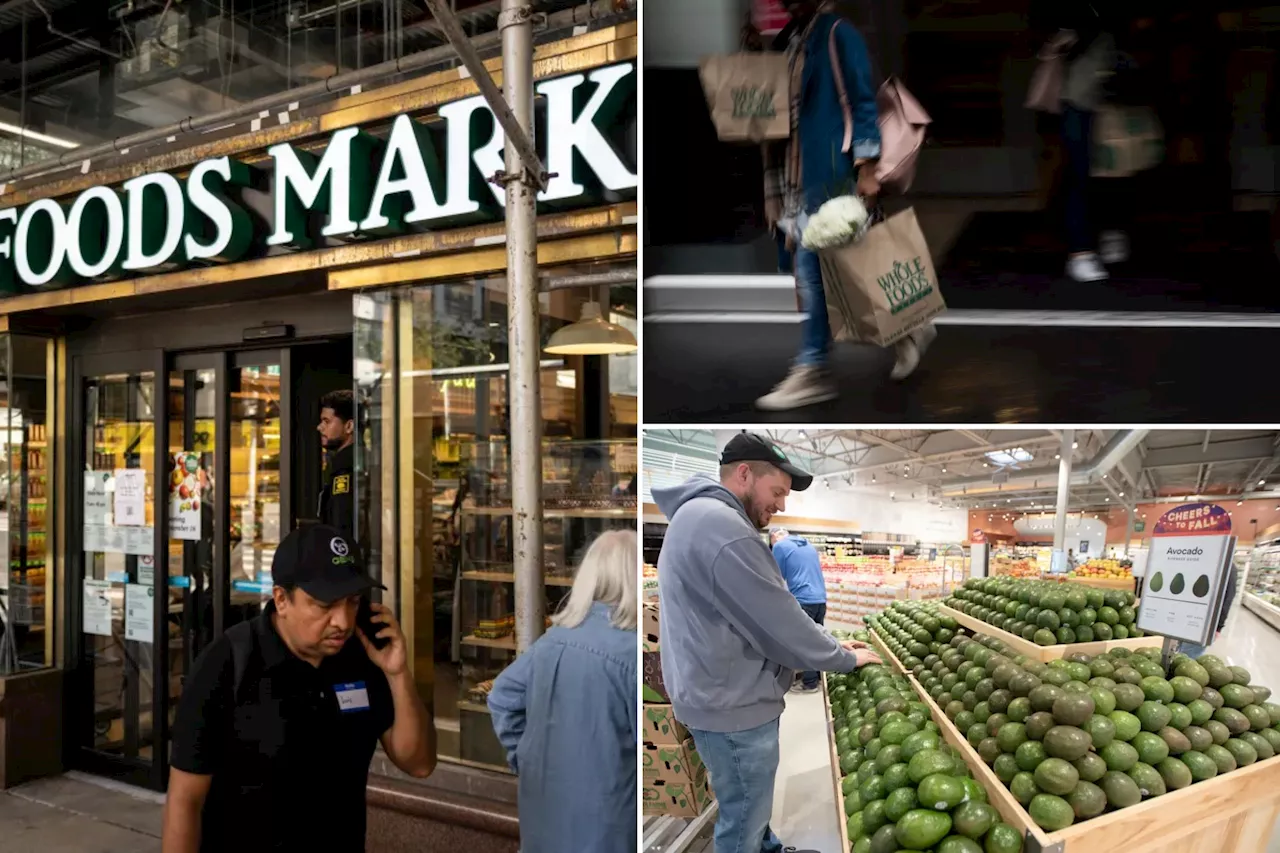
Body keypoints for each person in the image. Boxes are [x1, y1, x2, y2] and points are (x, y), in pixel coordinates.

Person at [653, 432, 881, 853]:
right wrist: (842, 657)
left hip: (715, 691)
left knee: (748, 803)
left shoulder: (698, 517)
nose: (781, 504)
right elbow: (780, 621)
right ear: (744, 474)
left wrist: (829, 643)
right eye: (777, 491)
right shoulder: (725, 530)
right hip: (730, 703)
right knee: (742, 817)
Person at [162, 524, 435, 853]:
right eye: (324, 605)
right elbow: (184, 801)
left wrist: (398, 673)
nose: (343, 621)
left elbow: (418, 762)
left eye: (352, 602)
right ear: (281, 600)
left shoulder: (364, 657)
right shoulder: (227, 665)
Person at [755, 0, 936, 412]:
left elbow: (863, 102)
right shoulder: (790, 41)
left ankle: (814, 368)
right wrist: (772, 191)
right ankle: (909, 329)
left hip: (833, 173)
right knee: (847, 268)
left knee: (818, 273)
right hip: (798, 178)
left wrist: (867, 165)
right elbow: (772, 122)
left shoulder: (837, 33)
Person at [488, 529, 638, 853]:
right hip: (606, 827)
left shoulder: (553, 638)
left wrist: (524, 759)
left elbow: (501, 696)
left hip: (543, 821)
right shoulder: (630, 653)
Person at [770, 528, 829, 693]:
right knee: (818, 638)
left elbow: (774, 575)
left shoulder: (780, 547)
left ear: (774, 537)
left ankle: (809, 682)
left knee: (806, 641)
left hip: (803, 598)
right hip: (820, 598)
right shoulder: (808, 545)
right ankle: (816, 676)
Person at [1178, 560, 1238, 659]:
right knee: (1181, 657)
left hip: (1203, 624)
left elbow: (1227, 597)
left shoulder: (1226, 565)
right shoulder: (1199, 559)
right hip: (1185, 618)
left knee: (1188, 658)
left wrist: (1218, 626)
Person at [317, 389, 356, 536]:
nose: (320, 427)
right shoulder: (339, 465)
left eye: (326, 421)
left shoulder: (346, 469)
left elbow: (341, 525)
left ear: (349, 426)